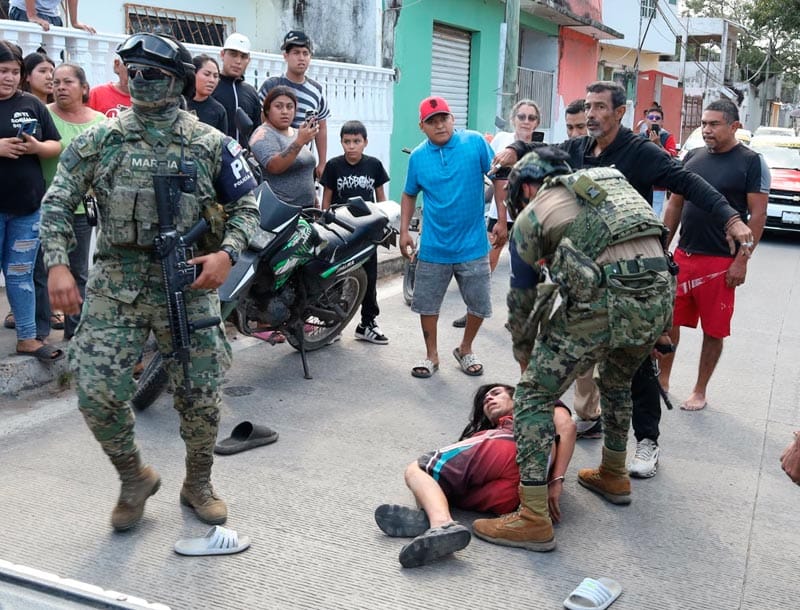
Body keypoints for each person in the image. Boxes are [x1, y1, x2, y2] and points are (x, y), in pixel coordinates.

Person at [41, 33, 260, 532]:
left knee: (201, 394)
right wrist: (57, 263)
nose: (139, 81)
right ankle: (133, 476)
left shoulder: (210, 142)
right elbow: (57, 202)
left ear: (177, 81)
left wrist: (227, 254)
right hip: (117, 281)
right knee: (95, 392)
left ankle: (198, 483)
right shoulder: (101, 138)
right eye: (132, 71)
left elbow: (247, 207)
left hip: (187, 282)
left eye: (152, 74)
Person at [493, 81, 755, 479]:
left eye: (601, 108)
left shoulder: (639, 153)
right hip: (587, 278)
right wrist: (517, 149)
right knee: (596, 366)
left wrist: (732, 219)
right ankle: (599, 441)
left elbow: (688, 183)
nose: (592, 114)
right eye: (589, 108)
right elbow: (548, 153)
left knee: (635, 368)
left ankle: (646, 442)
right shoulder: (579, 150)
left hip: (634, 280)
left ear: (619, 113)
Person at [471, 147, 675, 552]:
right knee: (616, 380)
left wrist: (528, 361)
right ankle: (614, 473)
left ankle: (531, 518)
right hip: (658, 299)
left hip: (604, 304)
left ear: (528, 187)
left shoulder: (533, 216)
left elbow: (524, 302)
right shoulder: (613, 184)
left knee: (531, 395)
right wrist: (656, 328)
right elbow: (655, 244)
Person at [374, 383, 576, 567]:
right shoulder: (533, 413)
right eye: (485, 401)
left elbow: (567, 427)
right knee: (445, 491)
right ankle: (431, 518)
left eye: (496, 393)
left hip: (510, 446)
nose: (488, 399)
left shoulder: (533, 401)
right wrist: (552, 480)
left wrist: (557, 480)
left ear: (517, 398)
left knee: (419, 470)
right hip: (515, 495)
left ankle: (440, 523)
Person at [658, 100, 768, 411]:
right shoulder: (692, 157)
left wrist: (741, 261)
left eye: (714, 124)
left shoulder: (750, 162)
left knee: (714, 330)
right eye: (704, 123)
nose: (706, 129)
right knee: (668, 322)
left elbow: (757, 216)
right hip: (684, 255)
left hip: (720, 261)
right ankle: (663, 380)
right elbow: (675, 204)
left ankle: (699, 390)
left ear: (734, 126)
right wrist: (663, 246)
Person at [400, 96, 502, 378]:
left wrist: (502, 219)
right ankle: (431, 355)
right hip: (434, 246)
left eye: (444, 118)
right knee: (427, 305)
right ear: (422, 126)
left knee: (480, 304)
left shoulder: (475, 143)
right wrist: (404, 230)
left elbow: (498, 178)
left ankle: (465, 348)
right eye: (432, 121)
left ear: (453, 119)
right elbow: (409, 193)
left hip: (473, 244)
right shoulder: (419, 156)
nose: (440, 125)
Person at [452, 99, 543, 329]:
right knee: (483, 268)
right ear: (513, 119)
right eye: (521, 116)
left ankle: (519, 317)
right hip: (500, 216)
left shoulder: (541, 148)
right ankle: (473, 312)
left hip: (528, 219)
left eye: (531, 118)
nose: (526, 121)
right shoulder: (502, 141)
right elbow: (496, 178)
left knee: (525, 271)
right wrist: (502, 219)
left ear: (537, 122)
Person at [0, 39, 63, 362]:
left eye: (14, 71)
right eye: (2, 71)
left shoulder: (32, 105)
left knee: (21, 274)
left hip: (28, 210)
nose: (8, 77)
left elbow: (56, 145)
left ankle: (27, 337)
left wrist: (37, 148)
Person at [40, 62, 104, 340]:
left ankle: (75, 332)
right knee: (43, 272)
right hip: (43, 208)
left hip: (82, 209)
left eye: (68, 82)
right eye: (56, 82)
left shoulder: (100, 122)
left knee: (78, 271)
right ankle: (38, 329)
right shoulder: (43, 115)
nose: (60, 87)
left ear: (84, 87)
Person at [320, 120, 390, 344]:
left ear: (365, 142)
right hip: (340, 231)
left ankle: (367, 324)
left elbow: (380, 197)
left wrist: (385, 221)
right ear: (341, 142)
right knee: (336, 278)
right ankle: (332, 325)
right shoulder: (333, 166)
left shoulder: (374, 165)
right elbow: (327, 197)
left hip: (367, 231)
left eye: (356, 141)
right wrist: (324, 222)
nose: (351, 146)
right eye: (347, 141)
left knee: (369, 278)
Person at [257, 31, 329, 179]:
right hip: (276, 159)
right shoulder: (272, 85)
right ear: (286, 56)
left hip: (303, 164)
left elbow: (321, 127)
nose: (301, 58)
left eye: (305, 53)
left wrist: (322, 162)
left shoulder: (317, 91)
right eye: (296, 52)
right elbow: (261, 122)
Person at [250, 85, 317, 208]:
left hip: (308, 209)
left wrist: (315, 200)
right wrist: (300, 142)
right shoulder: (262, 134)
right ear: (267, 110)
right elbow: (274, 166)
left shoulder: (297, 133)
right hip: (280, 210)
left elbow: (306, 169)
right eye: (278, 106)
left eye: (289, 107)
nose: (285, 111)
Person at [211, 32, 261, 148]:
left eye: (243, 56)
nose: (238, 61)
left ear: (248, 60)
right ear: (222, 55)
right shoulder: (211, 87)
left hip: (243, 162)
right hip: (214, 159)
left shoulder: (251, 92)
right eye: (233, 55)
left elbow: (257, 132)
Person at [639, 105, 677, 218]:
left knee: (654, 216)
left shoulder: (667, 137)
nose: (654, 120)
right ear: (646, 120)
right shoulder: (639, 137)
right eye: (651, 117)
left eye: (657, 118)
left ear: (662, 122)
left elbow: (670, 158)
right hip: (641, 182)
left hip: (658, 185)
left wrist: (658, 144)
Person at [187, 54, 227, 133]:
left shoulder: (218, 110)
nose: (212, 80)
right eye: (207, 74)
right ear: (193, 74)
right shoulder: (178, 103)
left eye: (215, 76)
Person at [9, 0, 95, 33]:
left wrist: (74, 22)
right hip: (24, 9)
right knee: (33, 60)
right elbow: (31, 16)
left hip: (51, 13)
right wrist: (32, 15)